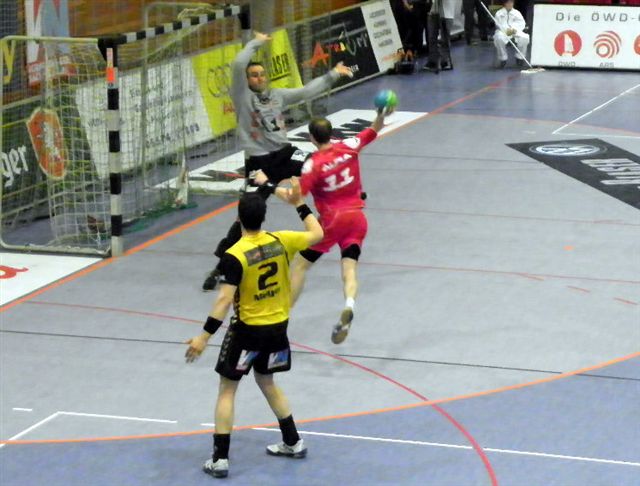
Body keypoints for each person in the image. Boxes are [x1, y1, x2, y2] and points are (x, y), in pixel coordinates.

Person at [185, 179, 324, 479]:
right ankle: (292, 441)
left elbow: (223, 301)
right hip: (278, 328)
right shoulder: (281, 240)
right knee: (267, 381)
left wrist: (203, 337)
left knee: (227, 390)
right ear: (264, 217)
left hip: (247, 331)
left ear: (238, 218)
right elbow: (318, 233)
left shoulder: (235, 255)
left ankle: (220, 459)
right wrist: (299, 204)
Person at [202, 31, 353, 291]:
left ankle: (348, 200)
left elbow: (306, 91)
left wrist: (333, 74)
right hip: (259, 164)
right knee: (246, 216)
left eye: (262, 74)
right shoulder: (242, 96)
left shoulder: (277, 95)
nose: (259, 78)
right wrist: (257, 42)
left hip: (285, 154)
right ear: (247, 80)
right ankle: (220, 268)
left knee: (319, 163)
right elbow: (238, 64)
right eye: (254, 75)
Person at [258, 107, 391, 344]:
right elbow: (375, 128)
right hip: (357, 219)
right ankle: (349, 304)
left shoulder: (313, 165)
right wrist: (381, 114)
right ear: (331, 133)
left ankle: (280, 319)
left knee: (300, 266)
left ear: (311, 138)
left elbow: (293, 197)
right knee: (349, 268)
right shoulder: (349, 145)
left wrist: (267, 184)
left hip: (332, 222)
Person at [493, 0, 529, 68]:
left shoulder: (517, 13)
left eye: (511, 2)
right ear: (504, 3)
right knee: (498, 38)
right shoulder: (499, 13)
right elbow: (498, 24)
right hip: (503, 31)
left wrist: (514, 29)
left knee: (525, 37)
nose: (510, 4)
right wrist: (506, 30)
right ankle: (503, 58)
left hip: (515, 31)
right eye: (508, 3)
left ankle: (520, 57)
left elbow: (522, 23)